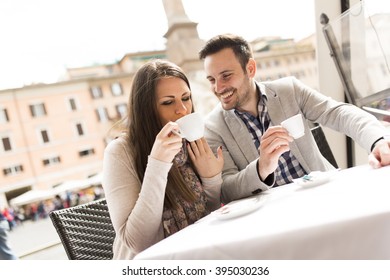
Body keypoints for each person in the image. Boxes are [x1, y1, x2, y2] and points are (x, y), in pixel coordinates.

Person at [198, 33, 390, 203]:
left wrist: (378, 141)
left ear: (250, 69)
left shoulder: (289, 90)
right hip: (274, 217)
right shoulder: (213, 126)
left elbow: (339, 113)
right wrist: (261, 168)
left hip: (327, 197)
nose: (218, 87)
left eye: (226, 76)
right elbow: (226, 190)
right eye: (212, 80)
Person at [102, 59, 224, 259]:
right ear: (146, 109)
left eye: (186, 98)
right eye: (168, 102)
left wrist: (212, 178)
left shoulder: (190, 141)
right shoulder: (119, 152)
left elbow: (208, 215)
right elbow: (139, 242)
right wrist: (158, 163)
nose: (182, 110)